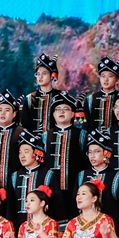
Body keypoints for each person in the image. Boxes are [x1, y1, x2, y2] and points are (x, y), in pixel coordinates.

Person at [44, 92, 88, 228]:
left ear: (73, 114)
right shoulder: (45, 136)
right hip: (51, 187)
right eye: (58, 109)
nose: (61, 112)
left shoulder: (82, 135)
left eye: (66, 109)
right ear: (53, 114)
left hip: (76, 186)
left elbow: (86, 161)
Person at [76, 129, 119, 231]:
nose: (92, 155)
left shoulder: (117, 176)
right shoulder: (81, 175)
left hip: (110, 228)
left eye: (97, 151)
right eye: (90, 152)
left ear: (106, 153)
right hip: (85, 229)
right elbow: (75, 204)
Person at [6, 129, 63, 229]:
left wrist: (61, 227)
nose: (22, 156)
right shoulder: (15, 176)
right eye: (20, 152)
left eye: (26, 151)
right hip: (20, 228)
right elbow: (10, 206)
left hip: (45, 228)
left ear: (36, 153)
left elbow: (57, 204)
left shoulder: (48, 175)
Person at [22, 53, 68, 134]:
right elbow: (25, 124)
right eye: (38, 74)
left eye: (44, 73)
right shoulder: (30, 99)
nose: (40, 77)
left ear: (51, 75)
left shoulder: (61, 97)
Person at [84, 56, 119, 132]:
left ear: (117, 78)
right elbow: (85, 125)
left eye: (110, 76)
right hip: (94, 139)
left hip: (116, 138)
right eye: (103, 76)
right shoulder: (90, 100)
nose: (105, 79)